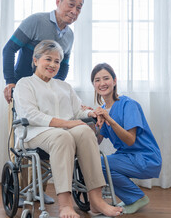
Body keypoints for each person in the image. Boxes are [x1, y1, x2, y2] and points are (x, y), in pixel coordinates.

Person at [14, 40, 123, 218]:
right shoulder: (24, 84)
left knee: (86, 131)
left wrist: (92, 113)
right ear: (35, 60)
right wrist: (66, 123)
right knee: (62, 136)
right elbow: (32, 115)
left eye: (57, 61)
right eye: (48, 59)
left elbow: (77, 111)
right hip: (34, 133)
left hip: (64, 132)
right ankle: (65, 204)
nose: (53, 64)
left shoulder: (64, 86)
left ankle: (96, 201)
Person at [91, 63, 162, 214]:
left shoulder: (129, 105)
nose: (102, 83)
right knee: (96, 162)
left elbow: (130, 140)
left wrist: (110, 119)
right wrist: (91, 121)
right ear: (93, 84)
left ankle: (136, 198)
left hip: (146, 158)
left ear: (114, 81)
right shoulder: (103, 110)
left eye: (106, 78)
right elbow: (96, 141)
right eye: (97, 80)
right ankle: (132, 196)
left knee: (101, 163)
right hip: (127, 157)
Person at [3, 0, 84, 103]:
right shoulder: (36, 21)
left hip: (47, 93)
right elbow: (9, 49)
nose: (74, 11)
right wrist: (10, 81)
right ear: (58, 2)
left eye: (79, 8)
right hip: (23, 87)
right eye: (71, 5)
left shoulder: (70, 35)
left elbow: (64, 65)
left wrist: (57, 86)